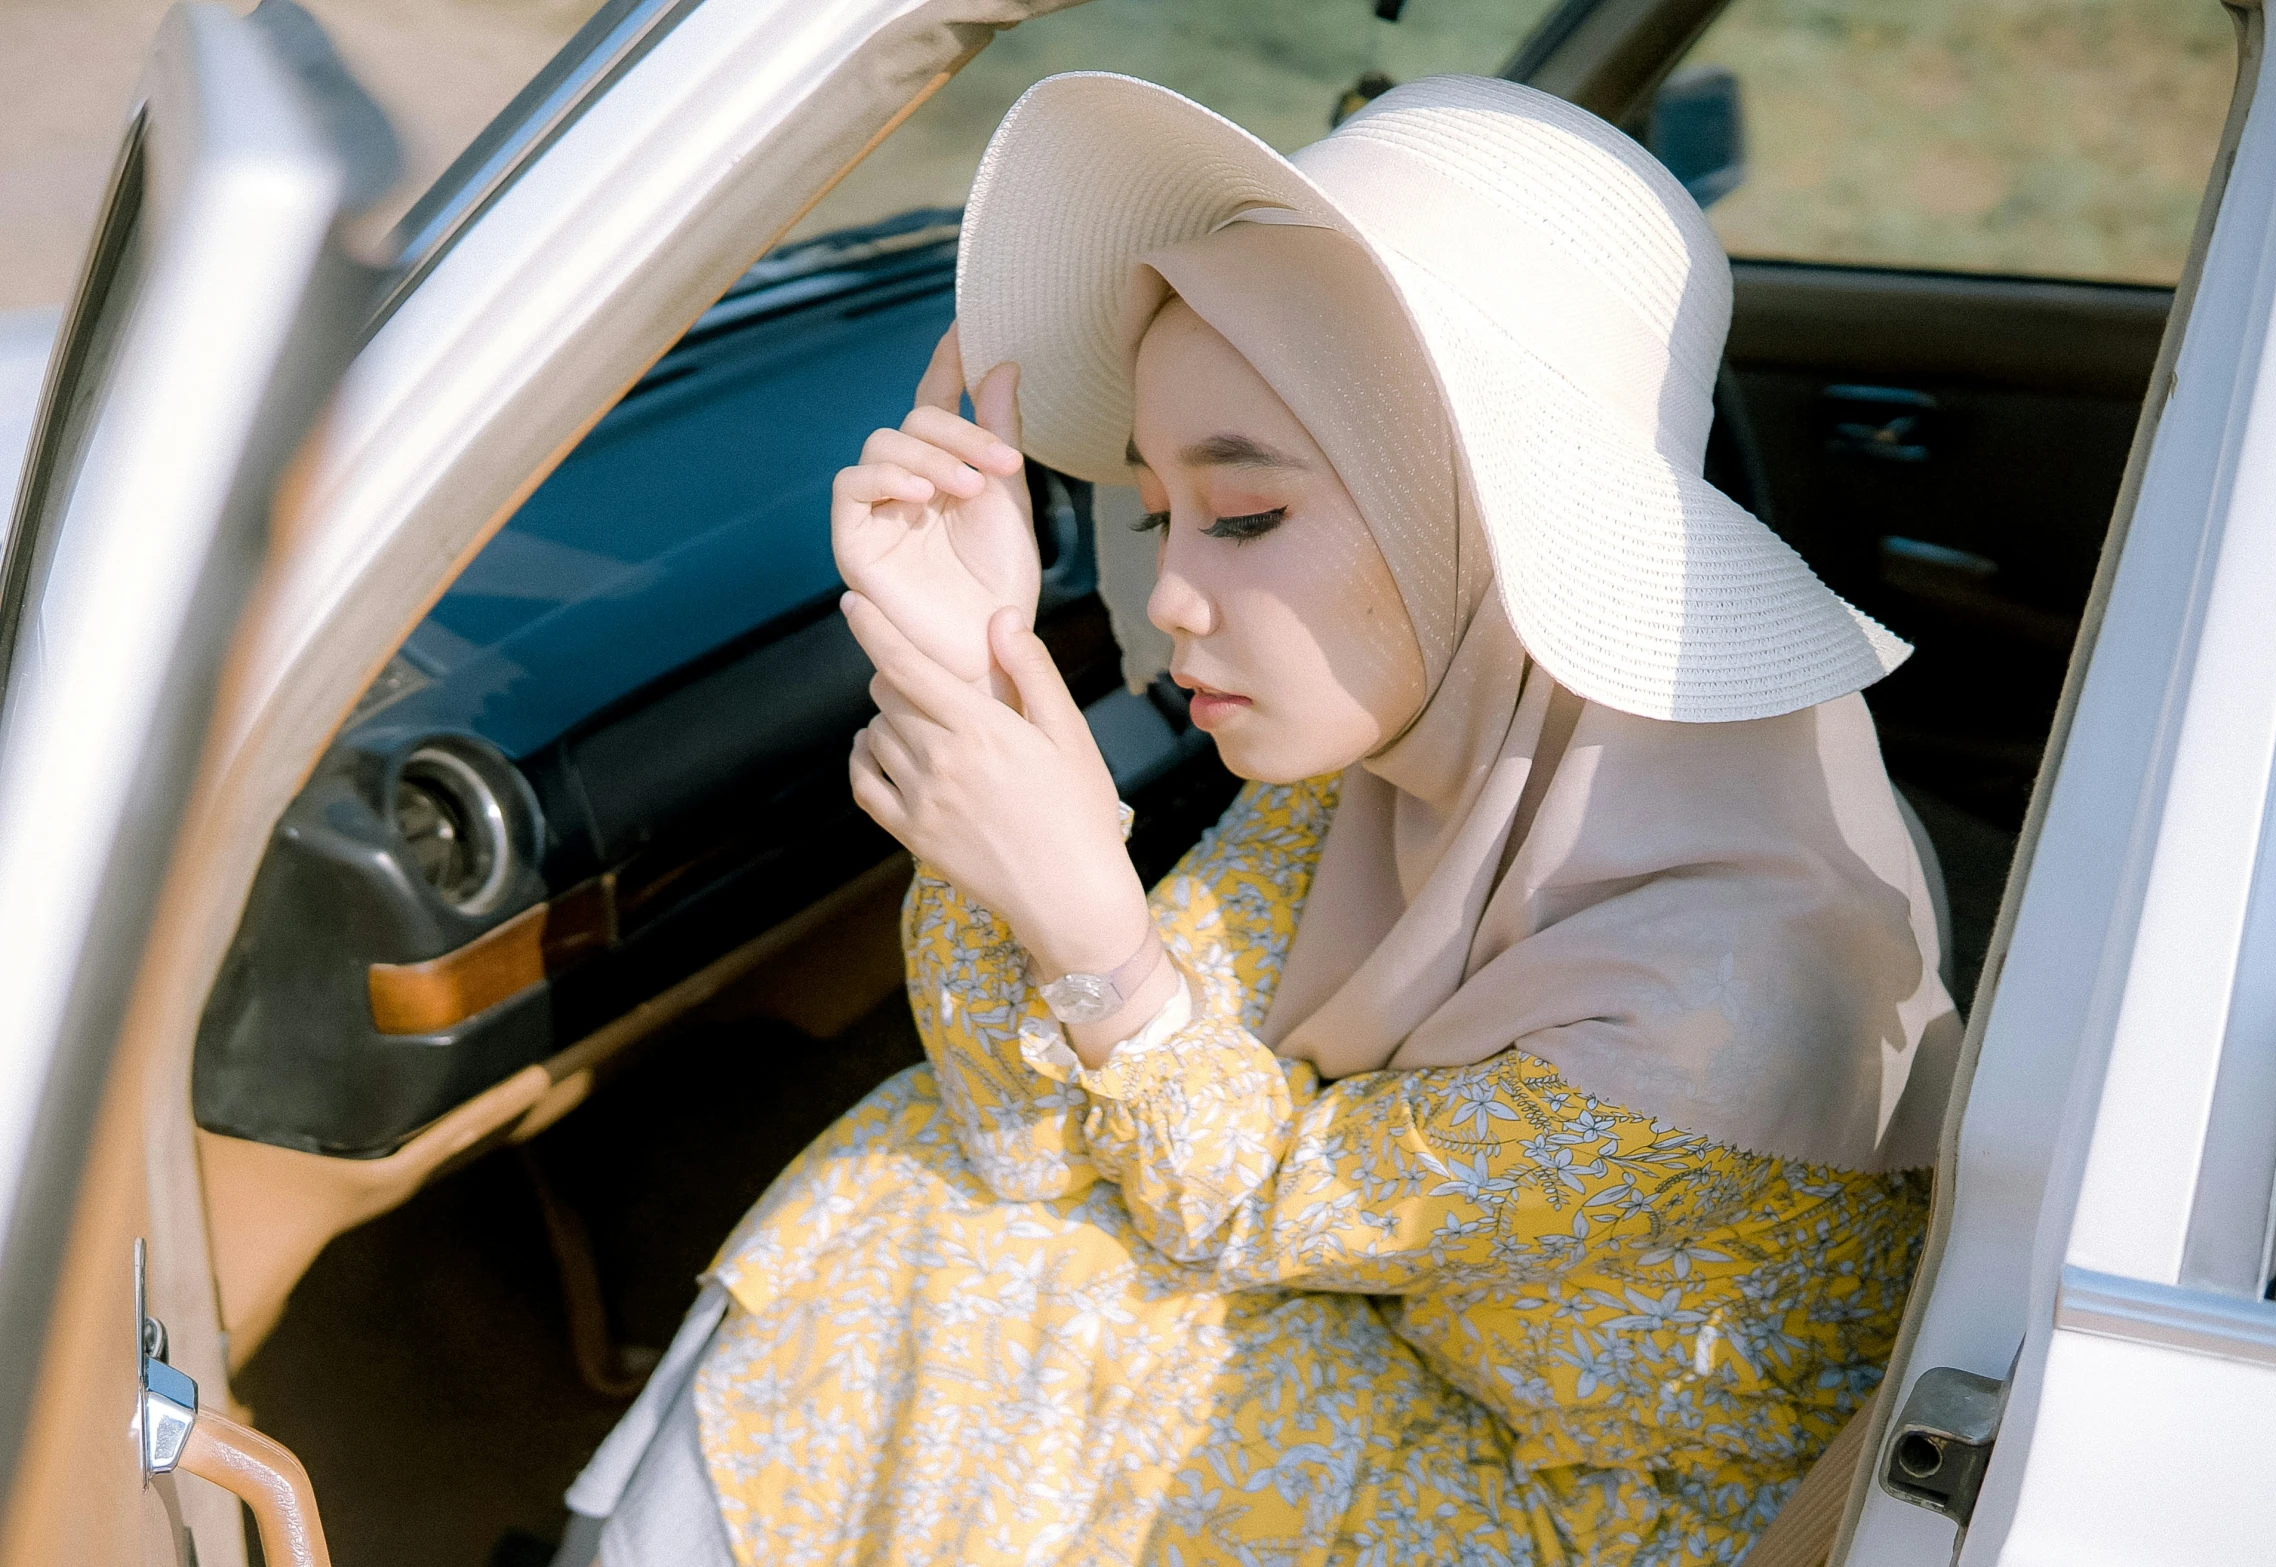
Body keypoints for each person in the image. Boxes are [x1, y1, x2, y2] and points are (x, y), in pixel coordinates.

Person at [557, 70, 1960, 1567]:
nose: (1164, 598)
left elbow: (1243, 1199)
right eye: (1158, 511)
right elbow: (1020, 1129)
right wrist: (971, 675)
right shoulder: (1413, 768)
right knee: (934, 1199)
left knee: (956, 1267)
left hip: (1621, 1529)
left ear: (1478, 521)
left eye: (1242, 514)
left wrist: (1093, 923)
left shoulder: (1724, 999)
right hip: (1427, 1366)